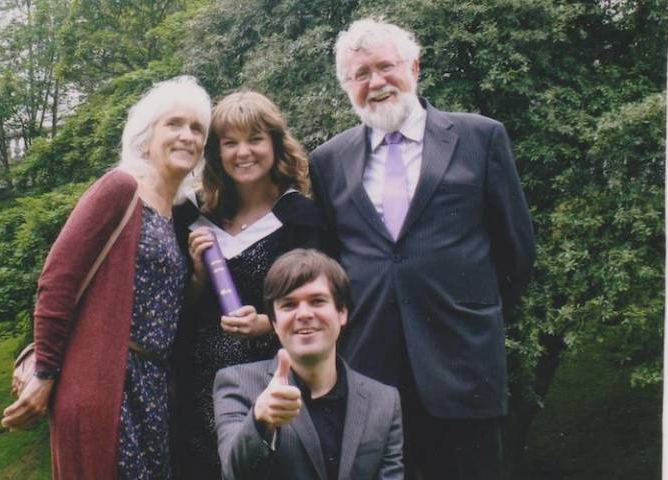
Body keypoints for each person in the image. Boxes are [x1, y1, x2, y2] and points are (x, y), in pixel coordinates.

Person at [308, 18, 536, 480]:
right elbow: (330, 265)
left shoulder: (480, 137)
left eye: (385, 66)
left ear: (414, 66)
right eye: (360, 75)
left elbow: (517, 252)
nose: (376, 82)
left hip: (464, 367)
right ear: (346, 87)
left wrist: (472, 316)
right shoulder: (328, 161)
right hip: (370, 373)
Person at [0, 76, 211, 479]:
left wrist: (197, 280)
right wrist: (44, 374)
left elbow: (157, 310)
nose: (187, 136)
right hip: (104, 381)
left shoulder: (175, 215)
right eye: (175, 124)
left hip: (151, 388)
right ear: (146, 136)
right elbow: (56, 282)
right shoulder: (120, 188)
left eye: (197, 128)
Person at [173, 90, 325, 478]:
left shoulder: (300, 218)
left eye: (255, 139)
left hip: (270, 378)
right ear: (216, 153)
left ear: (275, 143)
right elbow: (177, 310)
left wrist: (267, 324)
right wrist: (197, 276)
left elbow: (321, 302)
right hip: (201, 381)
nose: (244, 152)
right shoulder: (194, 216)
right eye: (230, 143)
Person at [213, 248, 403, 480]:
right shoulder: (238, 383)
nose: (304, 314)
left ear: (342, 313)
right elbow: (232, 473)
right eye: (289, 305)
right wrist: (260, 420)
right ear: (274, 321)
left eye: (317, 301)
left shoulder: (384, 401)